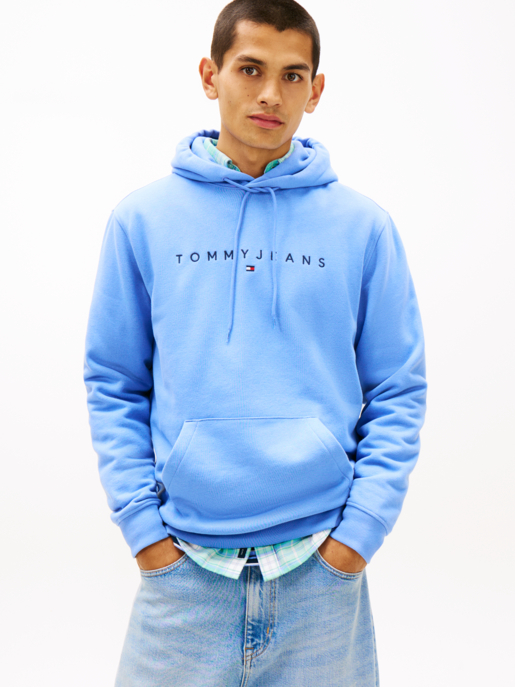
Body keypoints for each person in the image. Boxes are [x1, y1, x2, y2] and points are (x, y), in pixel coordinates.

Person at [83, 0, 427, 684]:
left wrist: (356, 538)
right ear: (210, 75)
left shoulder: (363, 228)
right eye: (250, 69)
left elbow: (398, 388)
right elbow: (114, 381)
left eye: (292, 75)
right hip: (182, 572)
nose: (271, 93)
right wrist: (144, 533)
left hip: (321, 572)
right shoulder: (142, 220)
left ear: (315, 90)